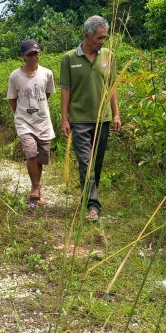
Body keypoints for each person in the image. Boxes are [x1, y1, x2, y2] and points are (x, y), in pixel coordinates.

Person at [60, 15, 121, 222]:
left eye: (104, 38)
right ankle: (93, 206)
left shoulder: (108, 56)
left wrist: (116, 114)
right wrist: (64, 118)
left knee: (97, 163)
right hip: (79, 119)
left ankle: (88, 197)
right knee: (85, 162)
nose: (102, 41)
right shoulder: (70, 58)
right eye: (99, 38)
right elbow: (66, 90)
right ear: (86, 35)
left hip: (102, 119)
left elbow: (112, 87)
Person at [7, 39, 55, 207]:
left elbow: (46, 94)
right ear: (23, 56)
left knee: (41, 157)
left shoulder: (47, 73)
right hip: (24, 121)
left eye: (36, 53)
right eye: (30, 54)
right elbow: (12, 99)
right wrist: (20, 114)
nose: (34, 56)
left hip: (42, 121)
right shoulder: (15, 76)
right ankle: (35, 187)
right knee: (31, 152)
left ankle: (37, 188)